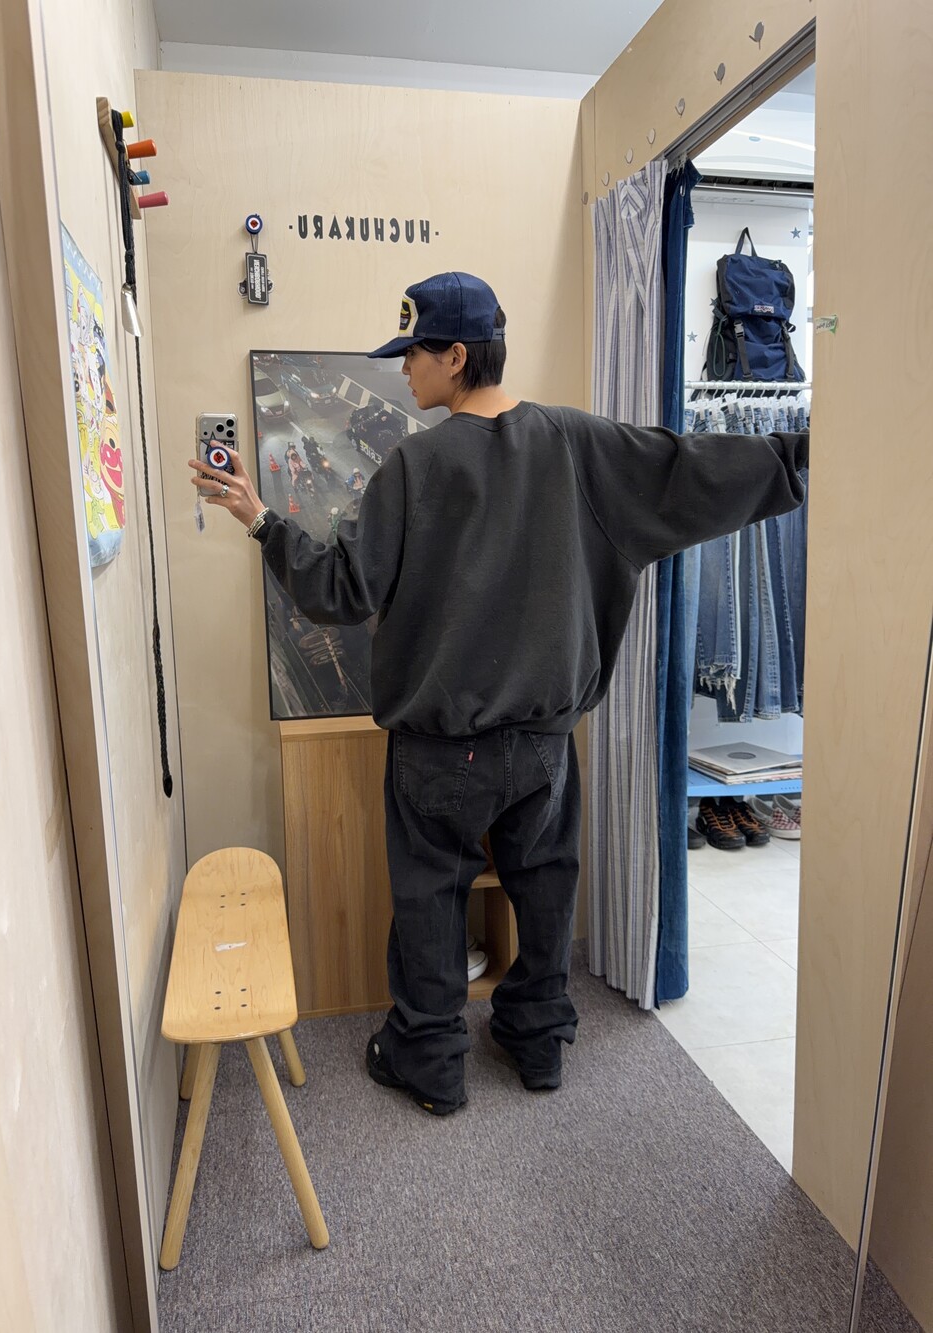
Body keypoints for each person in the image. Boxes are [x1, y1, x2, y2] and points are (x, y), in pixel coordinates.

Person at [188, 271, 809, 1117]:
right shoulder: (579, 444)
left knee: (430, 898)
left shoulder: (414, 465)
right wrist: (797, 455)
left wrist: (261, 520)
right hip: (545, 745)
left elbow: (341, 589)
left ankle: (431, 1060)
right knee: (546, 891)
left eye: (413, 352)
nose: (404, 367)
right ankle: (538, 1042)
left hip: (439, 748)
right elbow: (687, 470)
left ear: (456, 355)